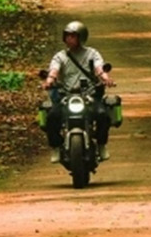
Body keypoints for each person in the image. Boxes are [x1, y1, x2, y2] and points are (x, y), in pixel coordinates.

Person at [42, 20, 117, 162]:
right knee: (52, 117)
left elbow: (99, 69)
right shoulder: (60, 56)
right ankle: (56, 147)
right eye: (67, 36)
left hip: (89, 94)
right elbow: (54, 70)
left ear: (81, 37)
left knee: (102, 115)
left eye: (73, 36)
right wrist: (49, 81)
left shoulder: (92, 53)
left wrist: (105, 78)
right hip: (67, 95)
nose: (69, 39)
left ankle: (101, 144)